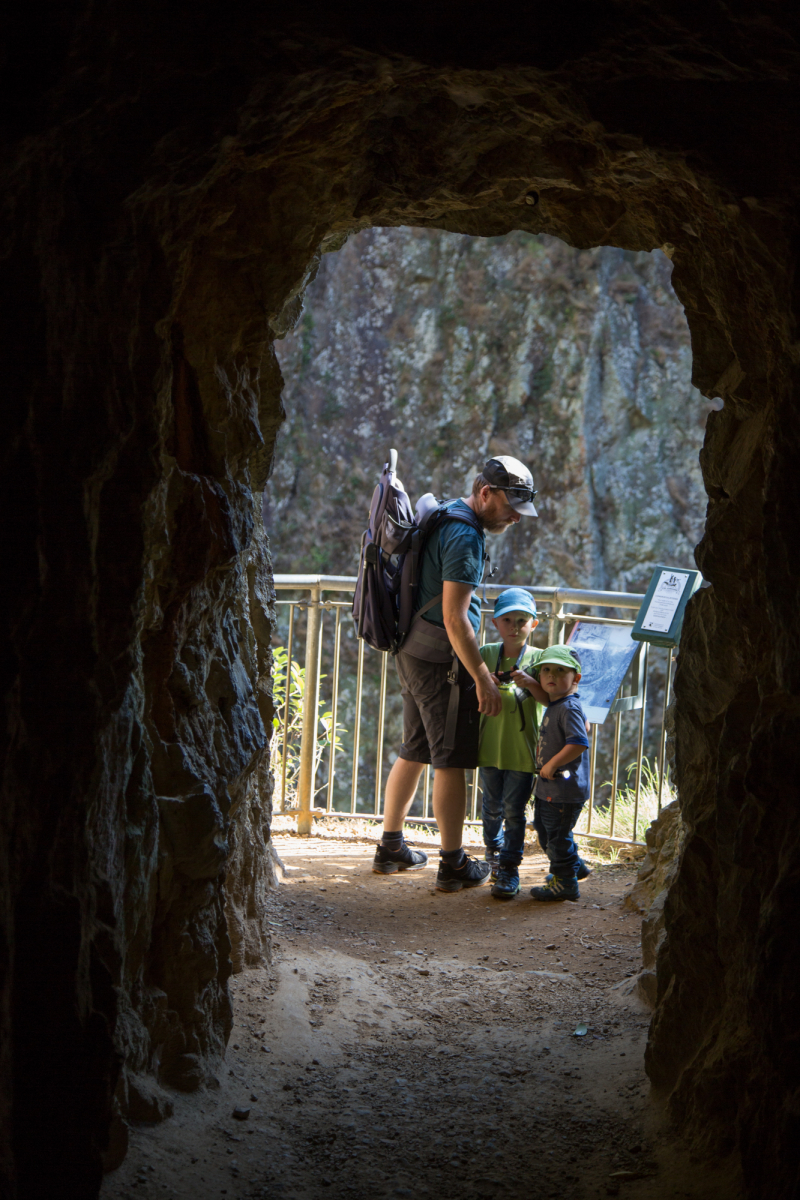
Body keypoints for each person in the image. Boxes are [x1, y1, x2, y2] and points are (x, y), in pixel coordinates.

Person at [371, 456, 539, 892]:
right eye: (511, 507)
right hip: (441, 662)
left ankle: (391, 847)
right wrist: (481, 676)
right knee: (451, 759)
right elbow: (455, 617)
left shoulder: (446, 511)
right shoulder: (465, 536)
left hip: (412, 649)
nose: (516, 518)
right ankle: (453, 863)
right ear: (486, 493)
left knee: (415, 747)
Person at [478, 588, 542, 900]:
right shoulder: (485, 654)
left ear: (534, 624)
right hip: (489, 747)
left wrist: (531, 683)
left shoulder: (540, 659)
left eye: (521, 620)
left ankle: (509, 867)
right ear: (495, 623)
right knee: (491, 806)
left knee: (514, 811)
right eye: (507, 620)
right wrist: (482, 681)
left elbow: (552, 698)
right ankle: (493, 853)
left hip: (523, 751)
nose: (514, 627)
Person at [526, 645, 591, 902]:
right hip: (551, 788)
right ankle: (574, 868)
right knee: (545, 830)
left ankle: (565, 882)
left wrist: (552, 764)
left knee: (556, 837)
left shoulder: (568, 707)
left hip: (564, 789)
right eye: (546, 669)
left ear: (576, 678)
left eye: (561, 670)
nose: (551, 675)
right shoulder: (558, 703)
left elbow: (579, 743)